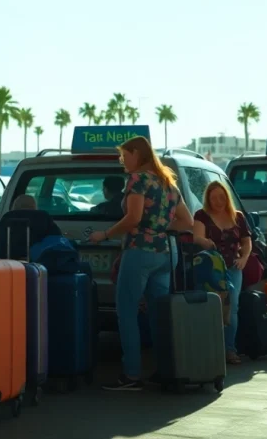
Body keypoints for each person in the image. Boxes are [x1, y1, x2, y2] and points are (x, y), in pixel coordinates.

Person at [89, 136, 193, 391]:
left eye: (125, 155)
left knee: (126, 312)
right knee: (159, 315)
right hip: (166, 253)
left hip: (140, 252)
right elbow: (186, 222)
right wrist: (159, 227)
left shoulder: (138, 180)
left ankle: (131, 375)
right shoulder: (167, 182)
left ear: (137, 153)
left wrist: (105, 235)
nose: (122, 160)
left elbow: (133, 217)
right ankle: (166, 370)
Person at [193, 181, 252, 365]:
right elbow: (197, 237)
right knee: (211, 306)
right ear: (208, 199)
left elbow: (247, 242)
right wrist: (205, 242)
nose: (218, 201)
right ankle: (210, 347)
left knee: (231, 308)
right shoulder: (201, 215)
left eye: (221, 197)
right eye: (213, 197)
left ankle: (229, 349)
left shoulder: (238, 217)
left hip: (233, 268)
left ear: (227, 197)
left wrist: (243, 258)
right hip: (210, 267)